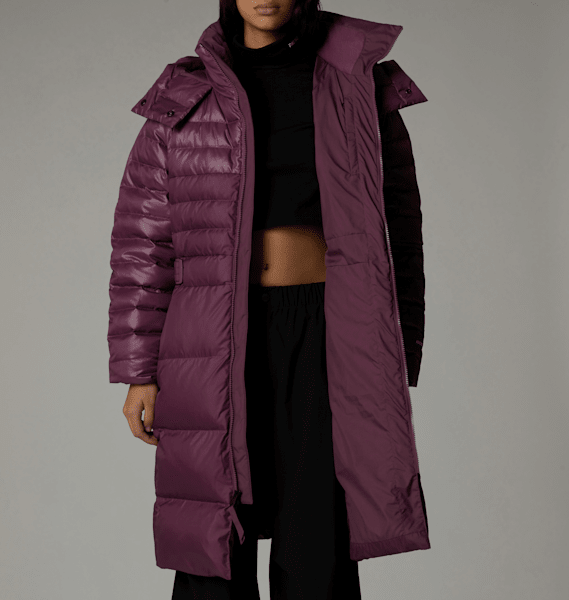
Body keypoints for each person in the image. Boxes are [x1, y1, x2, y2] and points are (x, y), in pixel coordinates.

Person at [108, 1, 430, 598]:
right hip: (210, 336)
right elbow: (143, 241)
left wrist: (398, 348)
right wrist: (138, 372)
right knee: (212, 534)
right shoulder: (186, 93)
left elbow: (400, 229)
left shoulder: (356, 85)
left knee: (317, 539)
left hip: (327, 329)